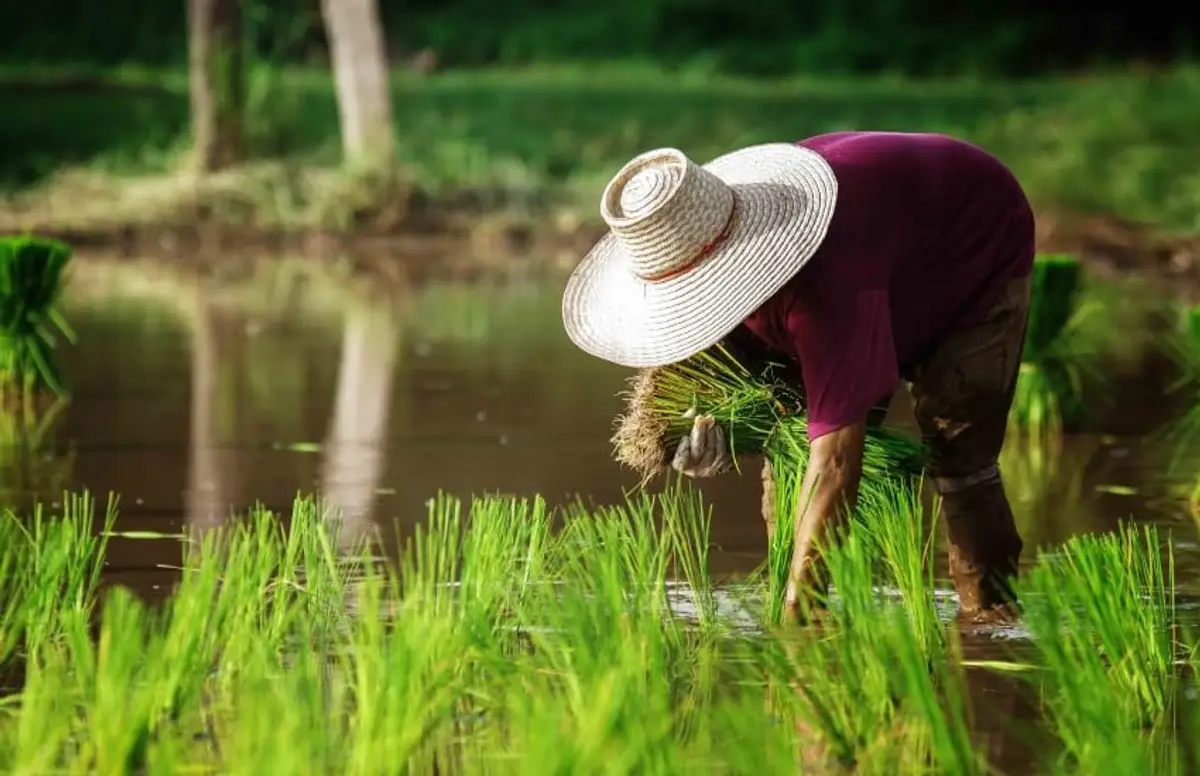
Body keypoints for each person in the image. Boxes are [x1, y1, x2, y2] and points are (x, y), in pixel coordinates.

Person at [561, 131, 1035, 623]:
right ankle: (800, 596)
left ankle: (990, 621)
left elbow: (835, 462)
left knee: (960, 457)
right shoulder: (715, 266)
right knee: (788, 456)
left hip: (973, 243)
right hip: (879, 252)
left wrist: (797, 614)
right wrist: (713, 428)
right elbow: (762, 408)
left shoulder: (824, 287)